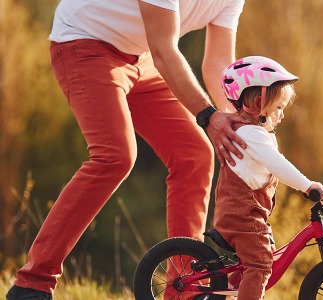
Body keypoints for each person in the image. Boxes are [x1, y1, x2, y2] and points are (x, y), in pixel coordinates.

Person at [7, 0, 249, 299]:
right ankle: (32, 283)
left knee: (194, 153)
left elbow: (218, 64)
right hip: (84, 42)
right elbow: (164, 49)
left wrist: (235, 121)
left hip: (141, 57)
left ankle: (184, 288)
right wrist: (209, 116)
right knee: (115, 156)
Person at [212, 56, 323, 300]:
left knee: (263, 256)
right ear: (257, 104)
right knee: (261, 265)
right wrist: (308, 186)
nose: (282, 115)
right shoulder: (253, 135)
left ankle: (233, 292)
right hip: (242, 217)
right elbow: (278, 165)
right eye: (278, 108)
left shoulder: (254, 134)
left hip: (245, 215)